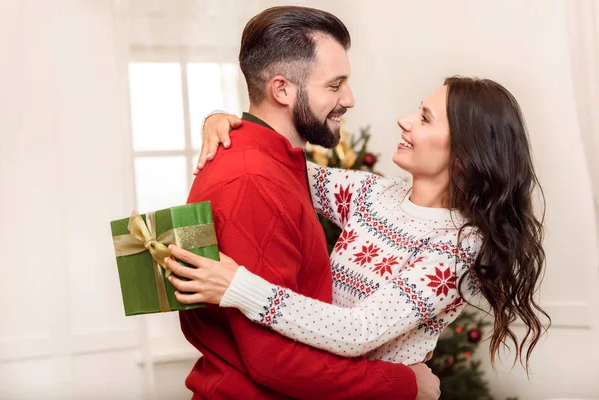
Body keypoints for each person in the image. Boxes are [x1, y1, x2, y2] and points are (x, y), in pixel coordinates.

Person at [167, 76, 549, 381]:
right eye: (417, 111)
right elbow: (277, 167)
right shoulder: (371, 193)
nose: (405, 121)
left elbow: (358, 331)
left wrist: (238, 287)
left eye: (425, 118)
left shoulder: (457, 248)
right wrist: (223, 123)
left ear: (467, 154)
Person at [171, 6, 440, 400]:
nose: (349, 98)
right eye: (334, 85)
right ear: (282, 89)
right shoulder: (254, 180)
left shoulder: (274, 165)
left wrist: (218, 117)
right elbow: (275, 361)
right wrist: (405, 385)